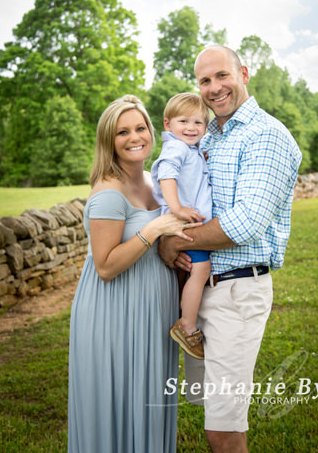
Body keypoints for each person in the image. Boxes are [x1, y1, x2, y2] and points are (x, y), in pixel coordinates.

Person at [159, 46, 302, 453]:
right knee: (210, 412)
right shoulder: (210, 135)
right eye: (204, 80)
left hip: (236, 294)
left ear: (243, 72)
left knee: (223, 429)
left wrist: (171, 241)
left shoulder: (267, 134)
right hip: (203, 288)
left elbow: (246, 222)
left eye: (222, 76)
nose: (214, 88)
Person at [68, 95, 201, 453]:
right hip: (114, 313)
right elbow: (106, 266)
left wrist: (173, 255)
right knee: (119, 400)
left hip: (152, 310)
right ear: (108, 141)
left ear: (153, 131)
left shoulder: (153, 181)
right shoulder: (108, 194)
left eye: (140, 128)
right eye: (122, 132)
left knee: (150, 396)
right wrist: (155, 230)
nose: (134, 137)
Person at [151, 93, 212, 360]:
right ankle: (186, 327)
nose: (191, 127)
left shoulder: (192, 149)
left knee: (186, 272)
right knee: (200, 269)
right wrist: (176, 209)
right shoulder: (175, 148)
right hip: (183, 223)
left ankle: (178, 313)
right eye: (183, 121)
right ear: (168, 124)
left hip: (188, 221)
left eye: (198, 122)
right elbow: (167, 175)